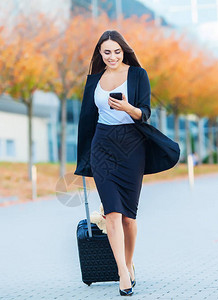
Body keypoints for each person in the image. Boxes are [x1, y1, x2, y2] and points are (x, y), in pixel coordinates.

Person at [74, 30, 180, 296]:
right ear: (100, 53)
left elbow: (144, 112)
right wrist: (84, 159)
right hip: (102, 147)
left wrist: (127, 109)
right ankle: (122, 271)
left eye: (117, 51)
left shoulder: (137, 75)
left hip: (132, 147)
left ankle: (130, 263)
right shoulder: (94, 81)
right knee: (112, 214)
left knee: (129, 219)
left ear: (124, 51)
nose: (112, 56)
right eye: (107, 52)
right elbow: (87, 120)